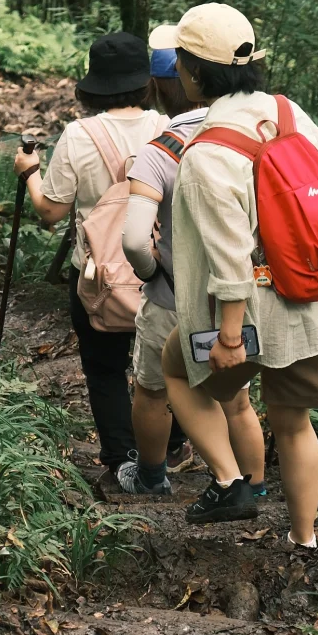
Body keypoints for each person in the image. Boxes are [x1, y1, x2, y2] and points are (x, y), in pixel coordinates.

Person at [155, 3, 318, 539]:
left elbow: (229, 254)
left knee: (175, 367)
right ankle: (305, 539)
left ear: (193, 71)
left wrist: (230, 335)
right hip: (305, 299)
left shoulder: (207, 153)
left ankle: (230, 479)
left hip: (241, 316)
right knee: (293, 421)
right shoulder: (290, 114)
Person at [14, 34, 168, 486]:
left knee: (105, 368)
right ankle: (171, 448)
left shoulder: (79, 135)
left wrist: (29, 174)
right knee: (166, 366)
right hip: (163, 269)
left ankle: (122, 456)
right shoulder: (169, 126)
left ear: (93, 85)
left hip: (99, 277)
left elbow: (49, 212)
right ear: (145, 83)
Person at [117, 32, 266, 498]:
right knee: (237, 399)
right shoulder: (256, 132)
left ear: (163, 85)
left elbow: (135, 241)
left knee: (154, 389)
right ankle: (256, 487)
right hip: (238, 297)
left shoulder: (159, 151)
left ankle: (152, 476)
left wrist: (152, 271)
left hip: (173, 298)